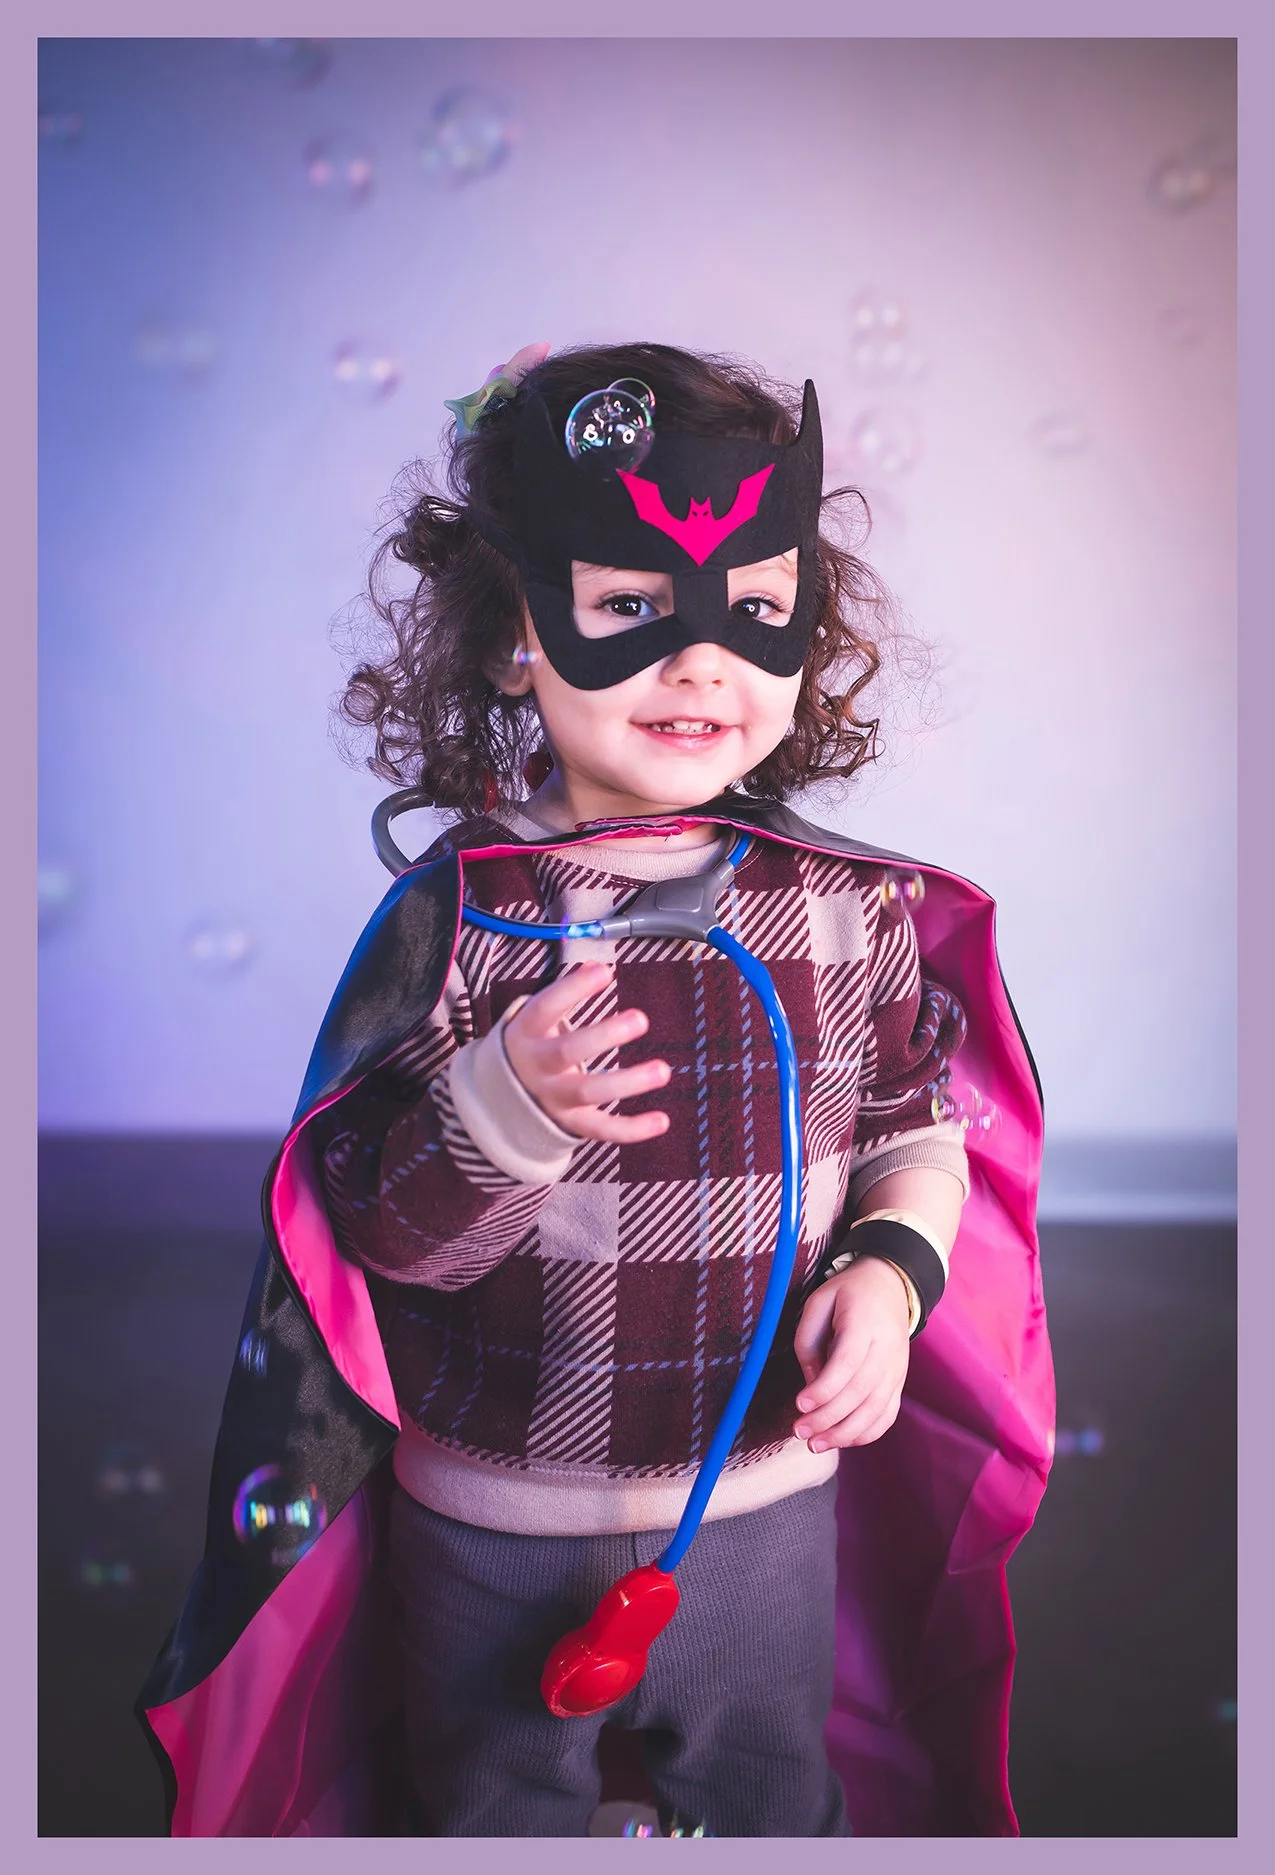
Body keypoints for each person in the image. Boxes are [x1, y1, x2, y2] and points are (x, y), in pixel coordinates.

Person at [137, 341, 1053, 1840]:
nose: (699, 662)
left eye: (755, 611)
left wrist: (893, 1278)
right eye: (630, 609)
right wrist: (499, 1111)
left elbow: (911, 1126)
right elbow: (376, 1244)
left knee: (768, 1798)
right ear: (516, 641)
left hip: (763, 1503)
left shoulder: (845, 908)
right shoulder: (465, 922)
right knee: (492, 1810)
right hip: (492, 1517)